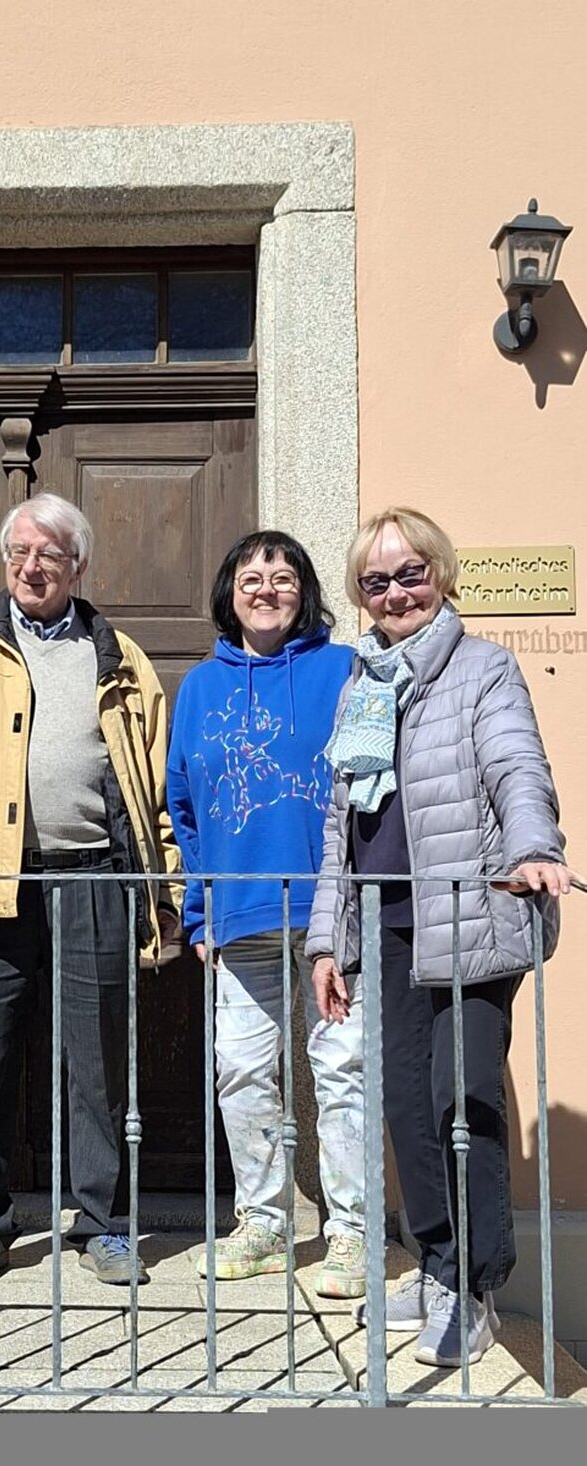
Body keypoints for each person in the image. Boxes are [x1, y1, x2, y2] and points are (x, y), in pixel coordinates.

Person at [307, 506, 576, 1367]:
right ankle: (435, 1261)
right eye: (376, 581)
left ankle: (477, 1283)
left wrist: (536, 848)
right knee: (408, 1112)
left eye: (410, 573)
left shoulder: (483, 670)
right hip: (384, 926)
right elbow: (336, 831)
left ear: (442, 574)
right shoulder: (360, 688)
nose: (395, 593)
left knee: (465, 1097)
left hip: (470, 916)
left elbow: (516, 766)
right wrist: (326, 943)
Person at [0, 491, 181, 1287]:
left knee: (97, 1065)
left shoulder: (120, 656)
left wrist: (159, 889)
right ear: (5, 560)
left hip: (94, 877)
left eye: (50, 557)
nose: (33, 568)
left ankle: (104, 1224)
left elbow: (151, 783)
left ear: (77, 567)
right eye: (21, 554)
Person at [166, 531, 365, 1298]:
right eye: (252, 576)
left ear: (305, 590)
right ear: (229, 592)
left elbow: (368, 785)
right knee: (243, 1071)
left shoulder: (342, 671)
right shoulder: (199, 690)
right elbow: (182, 808)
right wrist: (197, 910)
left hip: (331, 917)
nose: (267, 587)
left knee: (341, 1070)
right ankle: (266, 1223)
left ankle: (348, 1232)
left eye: (283, 577)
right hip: (238, 914)